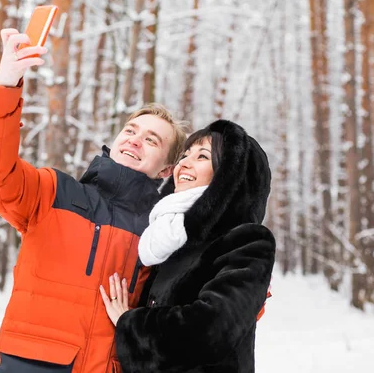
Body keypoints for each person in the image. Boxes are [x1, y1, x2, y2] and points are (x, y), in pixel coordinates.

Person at [0, 28, 188, 373]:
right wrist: (5, 85)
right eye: (130, 131)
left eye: (152, 140)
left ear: (167, 170)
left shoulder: (161, 232)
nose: (134, 140)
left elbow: (198, 306)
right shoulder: (54, 193)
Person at [100, 119, 275, 373]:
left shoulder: (247, 240)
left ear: (229, 176)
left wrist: (131, 323)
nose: (184, 162)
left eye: (202, 156)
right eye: (185, 154)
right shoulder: (168, 239)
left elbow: (212, 329)